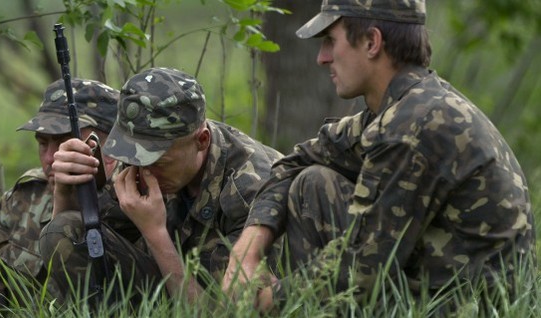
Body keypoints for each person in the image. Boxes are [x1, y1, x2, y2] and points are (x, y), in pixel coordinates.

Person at [223, 0, 537, 311]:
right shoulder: (407, 106)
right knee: (314, 183)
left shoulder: (414, 126)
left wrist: (267, 302)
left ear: (372, 42)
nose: (322, 58)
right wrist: (248, 250)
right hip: (439, 285)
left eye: (331, 41)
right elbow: (299, 159)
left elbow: (361, 267)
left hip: (466, 307)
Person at [39, 67, 283, 304]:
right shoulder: (141, 161)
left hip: (209, 303)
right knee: (65, 230)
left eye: (155, 159)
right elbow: (79, 242)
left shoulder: (254, 188)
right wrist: (65, 191)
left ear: (202, 140)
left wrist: (155, 233)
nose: (144, 171)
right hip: (171, 288)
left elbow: (228, 312)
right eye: (133, 155)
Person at [0, 78, 120, 308]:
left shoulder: (133, 203)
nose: (51, 158)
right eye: (43, 144)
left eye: (64, 143)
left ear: (109, 146)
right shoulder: (26, 198)